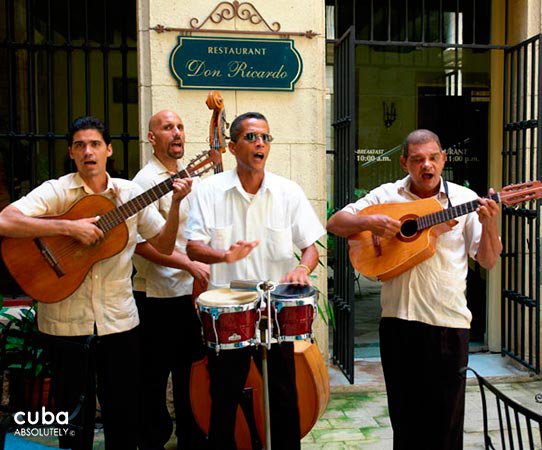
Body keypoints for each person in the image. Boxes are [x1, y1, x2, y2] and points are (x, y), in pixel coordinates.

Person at [0, 116, 191, 450]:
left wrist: (175, 203)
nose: (88, 151)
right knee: (73, 422)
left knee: (124, 416)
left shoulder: (130, 193)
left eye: (95, 144)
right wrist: (69, 229)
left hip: (119, 323)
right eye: (80, 145)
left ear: (109, 150)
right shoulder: (57, 191)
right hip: (65, 324)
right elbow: (6, 220)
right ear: (72, 153)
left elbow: (162, 245)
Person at [327, 129, 502, 450]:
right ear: (404, 162)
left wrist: (490, 223)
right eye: (418, 159)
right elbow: (335, 223)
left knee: (447, 425)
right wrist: (371, 223)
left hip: (448, 325)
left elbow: (489, 260)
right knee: (405, 422)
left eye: (433, 158)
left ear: (443, 159)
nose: (427, 165)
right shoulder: (386, 195)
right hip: (398, 324)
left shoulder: (464, 200)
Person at [185, 112, 326, 450]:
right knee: (224, 398)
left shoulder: (288, 192)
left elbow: (310, 247)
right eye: (251, 137)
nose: (260, 143)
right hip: (230, 313)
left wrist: (302, 269)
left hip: (275, 312)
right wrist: (223, 257)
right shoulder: (208, 191)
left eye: (265, 137)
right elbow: (192, 246)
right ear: (232, 147)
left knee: (283, 396)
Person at [132, 110, 209, 450]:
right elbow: (144, 244)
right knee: (153, 376)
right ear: (152, 138)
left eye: (179, 126)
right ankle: (153, 439)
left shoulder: (188, 175)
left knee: (189, 372)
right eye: (167, 128)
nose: (176, 133)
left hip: (190, 292)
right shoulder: (143, 182)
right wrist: (189, 264)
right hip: (158, 294)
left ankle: (191, 437)